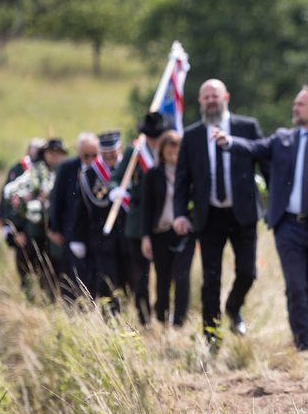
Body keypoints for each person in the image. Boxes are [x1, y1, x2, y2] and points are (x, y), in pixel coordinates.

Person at [219, 85, 308, 352]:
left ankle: (307, 335)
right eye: (295, 104)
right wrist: (229, 142)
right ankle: (303, 344)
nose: (294, 108)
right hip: (287, 225)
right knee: (296, 286)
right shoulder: (283, 139)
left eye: (300, 105)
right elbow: (255, 147)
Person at [172, 79, 270, 343]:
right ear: (200, 102)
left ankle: (233, 307)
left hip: (244, 215)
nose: (211, 101)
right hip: (209, 217)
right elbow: (182, 179)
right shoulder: (191, 135)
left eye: (215, 96)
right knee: (210, 280)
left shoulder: (247, 127)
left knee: (247, 273)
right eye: (206, 97)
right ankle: (211, 337)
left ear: (226, 97)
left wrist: (275, 204)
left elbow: (266, 166)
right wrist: (180, 213)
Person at [110, 112, 170, 326]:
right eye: (150, 136)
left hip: (163, 219)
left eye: (157, 136)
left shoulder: (169, 151)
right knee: (140, 275)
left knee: (165, 274)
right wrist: (115, 190)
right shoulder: (134, 151)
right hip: (137, 221)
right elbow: (116, 177)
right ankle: (144, 317)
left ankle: (163, 313)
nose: (154, 140)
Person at [71, 131, 132, 315]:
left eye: (112, 151)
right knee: (107, 281)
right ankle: (110, 319)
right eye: (104, 152)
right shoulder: (89, 175)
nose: (109, 156)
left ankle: (131, 319)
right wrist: (77, 237)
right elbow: (80, 209)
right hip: (102, 238)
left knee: (128, 280)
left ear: (120, 148)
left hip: (128, 237)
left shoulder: (131, 169)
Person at [2, 138, 69, 301]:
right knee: (30, 269)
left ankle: (53, 302)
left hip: (58, 234)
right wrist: (17, 229)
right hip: (34, 232)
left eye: (58, 154)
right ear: (45, 154)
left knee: (56, 272)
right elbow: (15, 200)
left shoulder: (66, 171)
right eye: (52, 154)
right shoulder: (34, 174)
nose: (55, 157)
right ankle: (31, 304)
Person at [142, 130, 196, 328]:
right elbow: (146, 208)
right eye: (169, 152)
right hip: (160, 233)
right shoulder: (153, 174)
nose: (174, 157)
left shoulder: (191, 174)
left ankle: (179, 322)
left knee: (182, 276)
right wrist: (145, 237)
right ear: (162, 152)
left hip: (184, 233)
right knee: (162, 279)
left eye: (177, 152)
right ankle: (161, 318)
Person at [49, 132, 99, 300]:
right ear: (78, 151)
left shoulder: (102, 169)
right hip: (71, 228)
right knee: (72, 272)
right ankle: (73, 307)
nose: (91, 159)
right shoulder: (68, 167)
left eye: (94, 155)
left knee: (93, 272)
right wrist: (55, 228)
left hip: (94, 230)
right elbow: (57, 199)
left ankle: (91, 305)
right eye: (86, 155)